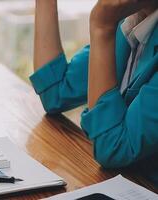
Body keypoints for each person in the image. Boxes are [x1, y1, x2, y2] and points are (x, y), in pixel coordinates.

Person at [30, 0, 158, 169]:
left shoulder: (110, 21)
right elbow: (55, 92)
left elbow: (113, 149)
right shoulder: (129, 19)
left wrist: (101, 27)